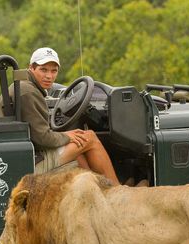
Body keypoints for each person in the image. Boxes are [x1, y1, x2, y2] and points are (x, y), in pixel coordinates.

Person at [11, 47, 120, 185]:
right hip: (33, 160)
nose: (49, 76)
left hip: (29, 153)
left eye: (53, 71)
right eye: (43, 70)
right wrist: (67, 136)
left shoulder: (25, 86)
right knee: (89, 138)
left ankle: (98, 188)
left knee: (78, 145)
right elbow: (42, 139)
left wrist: (68, 137)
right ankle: (117, 189)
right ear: (31, 68)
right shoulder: (28, 93)